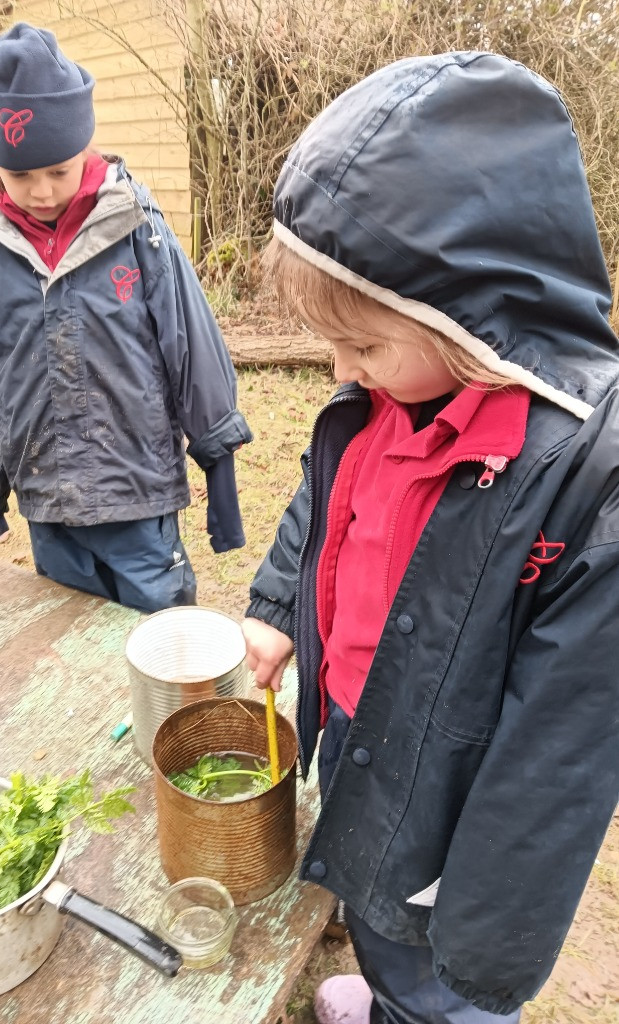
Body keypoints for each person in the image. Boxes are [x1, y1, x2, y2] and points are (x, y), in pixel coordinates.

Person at [242, 52, 619, 1024]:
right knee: (373, 909)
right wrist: (278, 606)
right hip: (358, 732)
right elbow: (319, 504)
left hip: (455, 811)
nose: (340, 368)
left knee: (430, 965)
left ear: (468, 321)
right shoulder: (380, 403)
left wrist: (484, 946)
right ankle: (383, 990)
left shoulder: (585, 481)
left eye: (363, 344)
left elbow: (558, 766)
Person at [0, 22, 252, 613]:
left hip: (136, 492)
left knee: (162, 644)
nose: (40, 191)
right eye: (19, 175)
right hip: (46, 499)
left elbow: (190, 342)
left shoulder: (134, 224)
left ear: (83, 145)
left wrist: (217, 458)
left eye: (58, 171)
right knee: (69, 640)